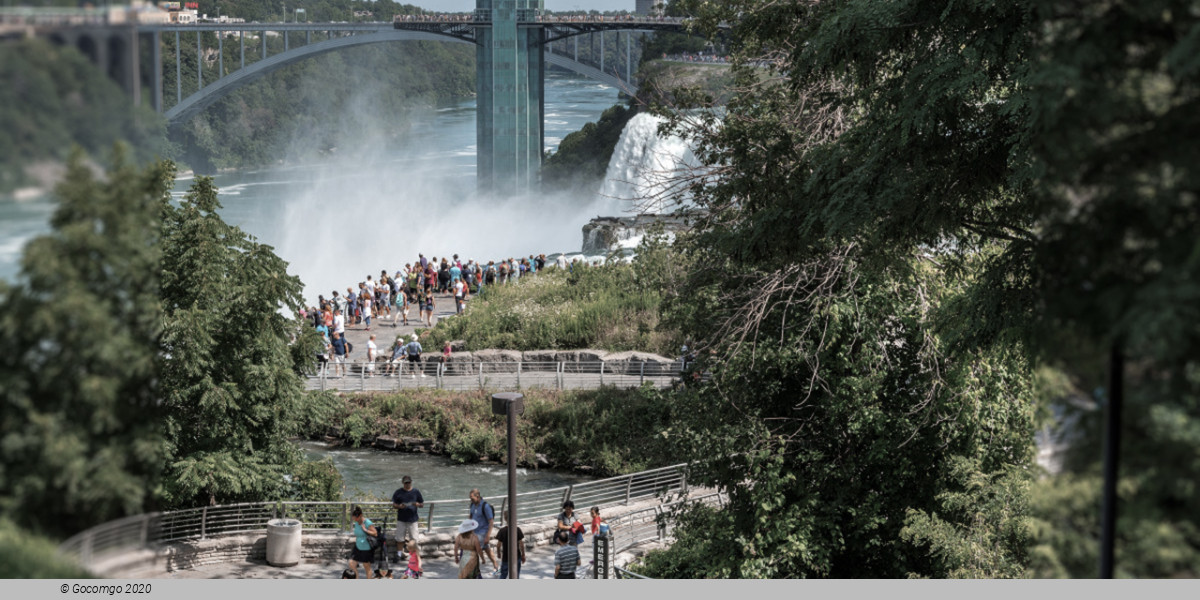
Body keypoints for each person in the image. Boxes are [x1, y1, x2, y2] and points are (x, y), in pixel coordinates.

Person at [391, 475, 424, 558]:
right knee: (399, 538)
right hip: (401, 519)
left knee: (414, 538)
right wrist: (399, 506)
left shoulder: (416, 491)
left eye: (408, 482)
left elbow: (422, 504)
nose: (407, 484)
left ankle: (414, 555)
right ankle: (399, 554)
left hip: (413, 519)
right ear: (403, 483)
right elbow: (394, 504)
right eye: (406, 483)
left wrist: (418, 504)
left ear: (411, 482)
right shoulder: (398, 492)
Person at [468, 489, 499, 573]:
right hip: (475, 532)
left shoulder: (485, 506)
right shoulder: (472, 505)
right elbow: (471, 517)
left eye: (472, 498)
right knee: (487, 549)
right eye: (470, 498)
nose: (471, 500)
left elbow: (491, 522)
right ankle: (496, 565)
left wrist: (487, 536)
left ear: (477, 496)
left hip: (482, 532)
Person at [348, 506, 377, 579]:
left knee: (366, 567)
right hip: (357, 546)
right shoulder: (357, 523)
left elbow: (375, 533)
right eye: (354, 519)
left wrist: (365, 530)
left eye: (356, 518)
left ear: (360, 516)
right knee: (351, 564)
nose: (355, 520)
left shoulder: (367, 522)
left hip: (366, 548)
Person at [495, 508, 525, 579]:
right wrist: (523, 554)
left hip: (506, 558)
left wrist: (498, 553)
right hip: (517, 556)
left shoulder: (502, 531)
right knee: (516, 575)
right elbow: (521, 544)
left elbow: (498, 545)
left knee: (503, 575)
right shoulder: (517, 529)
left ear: (505, 519)